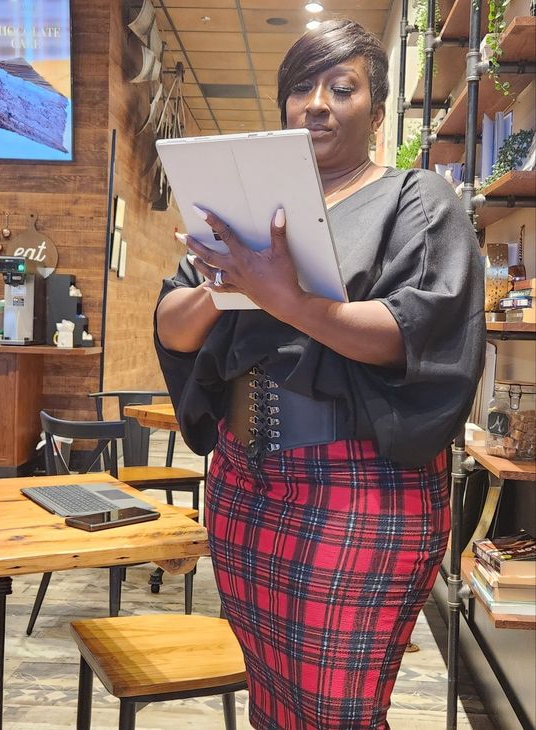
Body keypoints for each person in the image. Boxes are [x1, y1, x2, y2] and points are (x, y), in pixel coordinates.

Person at [154, 18, 485, 730]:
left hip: (359, 489)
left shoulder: (416, 200)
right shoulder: (250, 210)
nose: (317, 104)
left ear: (373, 105)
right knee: (272, 701)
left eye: (342, 87)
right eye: (301, 87)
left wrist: (288, 299)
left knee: (338, 709)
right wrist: (228, 281)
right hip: (245, 485)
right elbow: (171, 326)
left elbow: (408, 335)